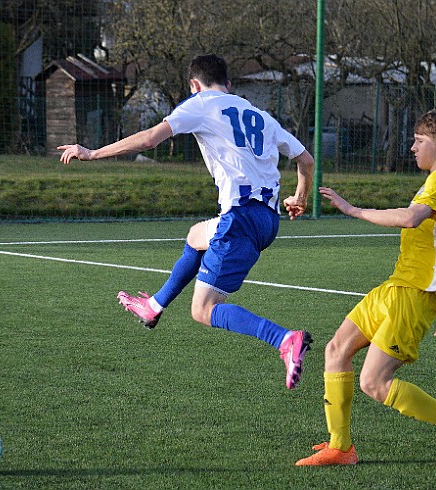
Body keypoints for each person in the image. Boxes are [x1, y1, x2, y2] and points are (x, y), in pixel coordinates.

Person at [58, 54, 316, 389]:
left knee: (203, 310)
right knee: (196, 235)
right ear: (229, 84)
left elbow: (151, 138)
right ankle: (153, 306)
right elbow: (305, 160)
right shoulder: (260, 115)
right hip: (268, 219)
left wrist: (92, 153)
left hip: (239, 217)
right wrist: (300, 197)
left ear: (194, 85)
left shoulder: (201, 104)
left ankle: (284, 339)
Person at [296, 110, 436, 469]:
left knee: (375, 382)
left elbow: (410, 218)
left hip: (412, 296)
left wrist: (354, 210)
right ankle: (341, 447)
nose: (412, 147)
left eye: (419, 141)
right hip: (395, 288)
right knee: (336, 350)